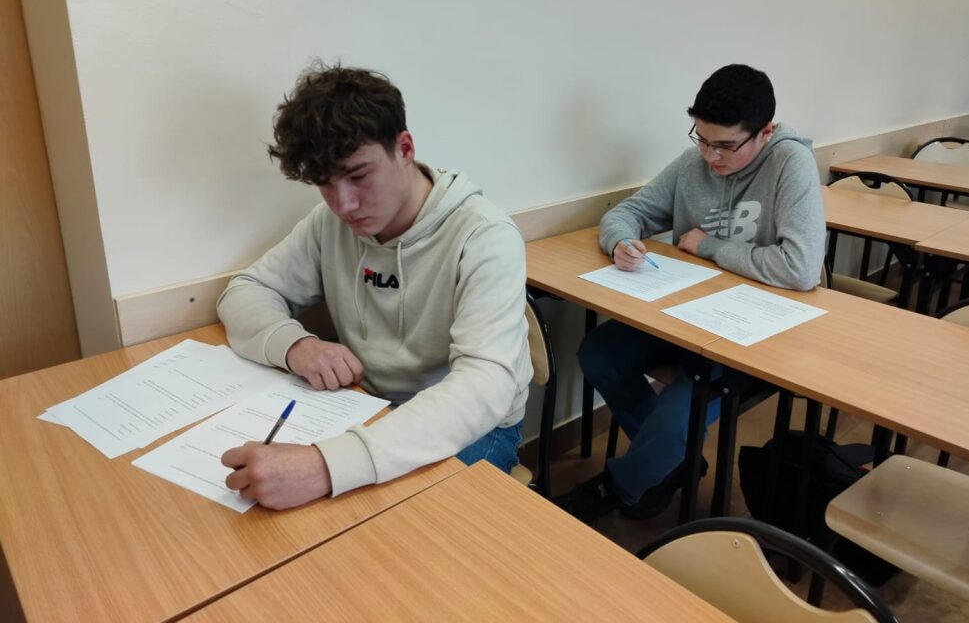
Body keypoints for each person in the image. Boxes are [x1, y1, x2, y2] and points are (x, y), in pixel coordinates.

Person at [217, 63, 532, 510]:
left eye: (358, 175)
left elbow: (485, 388)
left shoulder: (485, 236)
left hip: (473, 424)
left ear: (404, 148)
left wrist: (326, 466)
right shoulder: (329, 224)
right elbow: (245, 291)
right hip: (366, 407)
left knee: (383, 531)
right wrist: (296, 345)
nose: (343, 204)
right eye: (324, 184)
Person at [556, 63, 825, 524]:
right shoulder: (693, 163)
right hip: (689, 313)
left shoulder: (790, 164)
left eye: (726, 145)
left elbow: (800, 269)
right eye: (702, 139)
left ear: (765, 132)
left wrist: (710, 246)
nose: (711, 156)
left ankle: (621, 486)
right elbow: (626, 212)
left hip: (757, 329)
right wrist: (620, 242)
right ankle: (671, 461)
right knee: (600, 352)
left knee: (683, 406)